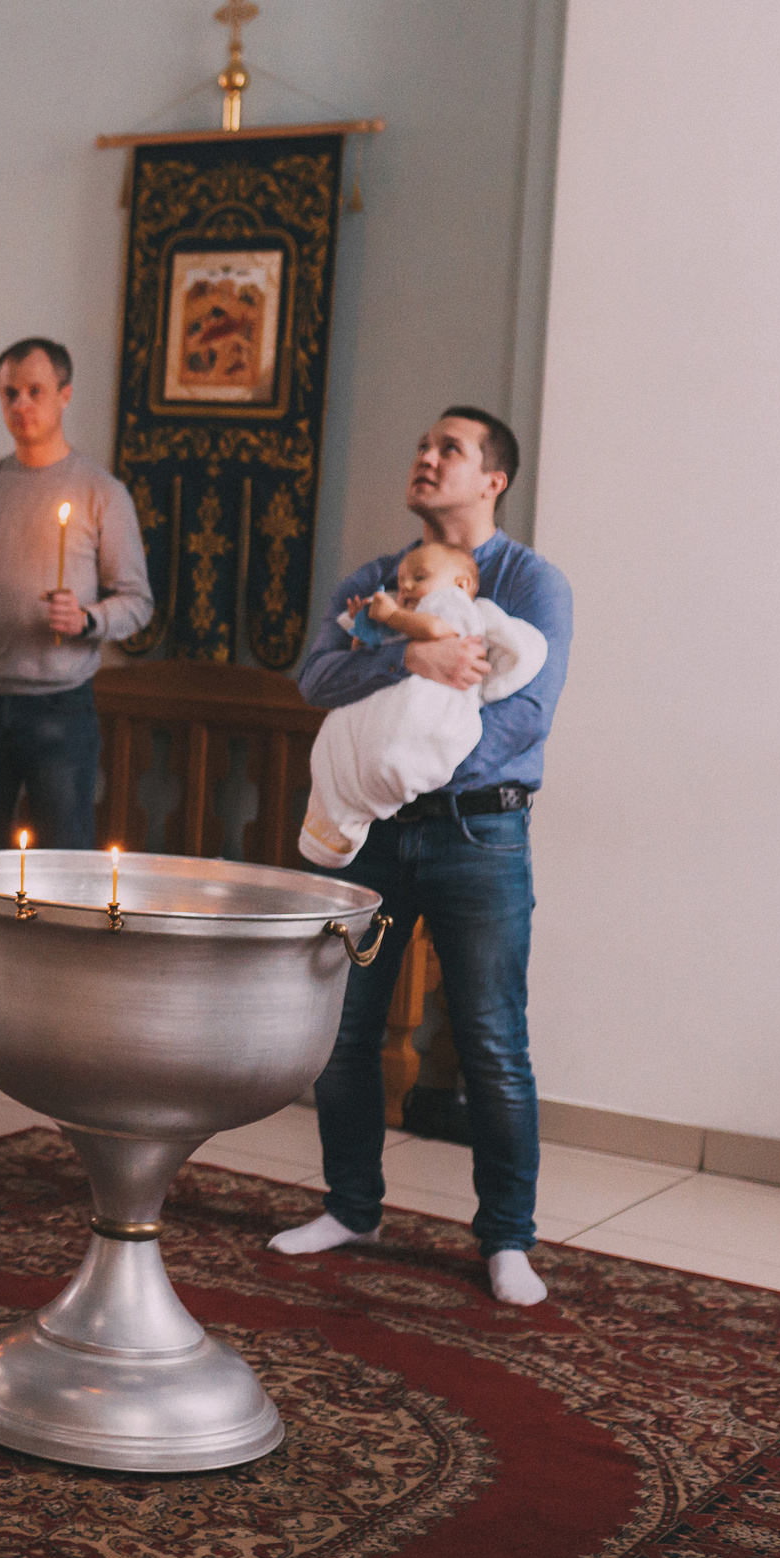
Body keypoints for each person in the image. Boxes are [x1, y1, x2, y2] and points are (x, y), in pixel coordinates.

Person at [271, 407, 572, 1309]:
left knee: (491, 1040)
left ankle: (507, 1240)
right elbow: (316, 678)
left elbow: (526, 713)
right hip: (373, 834)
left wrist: (421, 757)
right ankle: (352, 1206)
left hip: (480, 829)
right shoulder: (377, 581)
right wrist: (411, 653)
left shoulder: (532, 584)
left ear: (494, 479)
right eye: (422, 441)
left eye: (449, 448)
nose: (425, 454)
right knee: (345, 1030)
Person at [0, 337, 153, 1075]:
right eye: (9, 392)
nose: (20, 406)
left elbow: (137, 600)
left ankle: (57, 1030)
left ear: (65, 394)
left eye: (34, 391)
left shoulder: (101, 493)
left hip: (59, 710)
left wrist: (91, 619)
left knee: (63, 871)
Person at [298, 540, 549, 869]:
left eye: (418, 577)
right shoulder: (402, 610)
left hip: (460, 796)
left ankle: (367, 797)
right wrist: (365, 631)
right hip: (386, 784)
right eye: (401, 581)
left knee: (388, 756)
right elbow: (343, 668)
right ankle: (339, 827)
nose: (404, 586)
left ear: (461, 584)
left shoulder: (452, 605)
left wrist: (391, 614)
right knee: (333, 750)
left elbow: (435, 629)